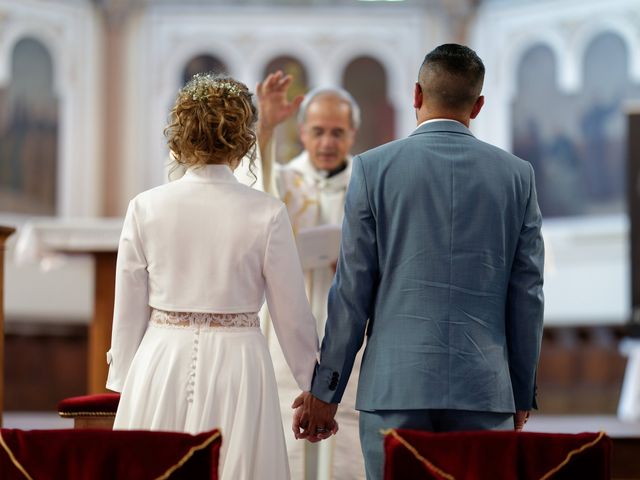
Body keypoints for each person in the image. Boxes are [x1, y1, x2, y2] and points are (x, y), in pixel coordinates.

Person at [294, 43, 545, 480]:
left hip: (395, 388)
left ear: (415, 94)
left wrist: (325, 391)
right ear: (479, 105)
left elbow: (352, 290)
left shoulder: (373, 169)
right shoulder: (516, 175)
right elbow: (527, 295)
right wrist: (520, 392)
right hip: (484, 392)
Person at [105, 73, 319, 480]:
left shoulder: (145, 206)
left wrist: (123, 381)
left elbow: (128, 309)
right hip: (238, 363)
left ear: (181, 132)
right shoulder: (266, 211)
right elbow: (292, 315)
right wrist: (311, 385)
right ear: (244, 138)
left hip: (161, 359)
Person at [255, 72, 366, 480]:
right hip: (293, 315)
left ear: (353, 134)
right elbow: (254, 188)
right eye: (317, 131)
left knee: (348, 433)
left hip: (351, 324)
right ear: (302, 131)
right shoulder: (283, 178)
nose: (327, 142)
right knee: (287, 433)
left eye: (338, 132)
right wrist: (266, 126)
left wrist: (362, 264)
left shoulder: (368, 182)